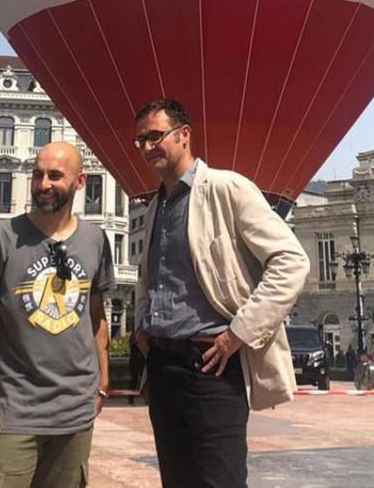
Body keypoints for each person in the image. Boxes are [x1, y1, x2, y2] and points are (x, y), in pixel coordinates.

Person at [129, 99, 309, 487]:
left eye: (155, 136)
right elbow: (150, 275)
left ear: (184, 135)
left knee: (219, 480)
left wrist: (239, 332)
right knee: (177, 480)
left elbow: (292, 261)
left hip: (211, 365)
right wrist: (142, 322)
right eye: (140, 140)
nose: (147, 147)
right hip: (162, 366)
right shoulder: (155, 204)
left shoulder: (229, 188)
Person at [0, 142, 115, 487]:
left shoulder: (95, 240)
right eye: (37, 174)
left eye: (55, 176)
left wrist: (103, 380)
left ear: (80, 183)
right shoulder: (2, 236)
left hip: (75, 413)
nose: (43, 184)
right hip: (14, 410)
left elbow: (96, 314)